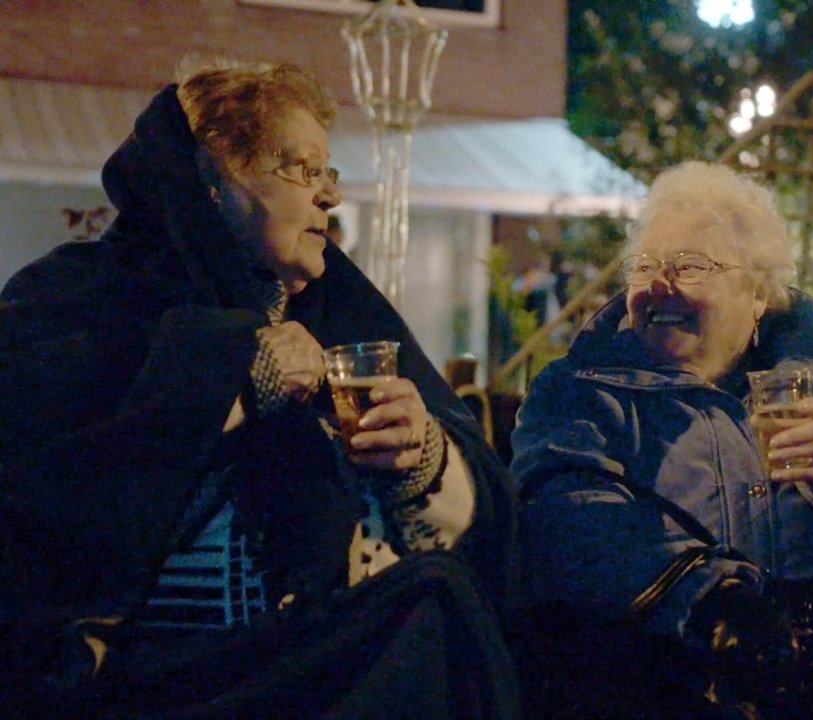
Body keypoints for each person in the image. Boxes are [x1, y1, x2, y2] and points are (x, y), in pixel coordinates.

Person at [0, 60, 519, 718]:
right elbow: (52, 506)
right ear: (212, 179)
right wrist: (237, 383)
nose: (329, 197)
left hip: (297, 657)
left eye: (329, 173)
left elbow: (485, 522)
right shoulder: (78, 299)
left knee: (437, 600)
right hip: (148, 678)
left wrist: (421, 458)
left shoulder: (337, 310)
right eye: (301, 169)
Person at [511, 161, 813, 717]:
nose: (657, 283)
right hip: (665, 693)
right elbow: (571, 521)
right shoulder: (581, 395)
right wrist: (714, 602)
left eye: (689, 265)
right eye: (644, 265)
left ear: (758, 295)